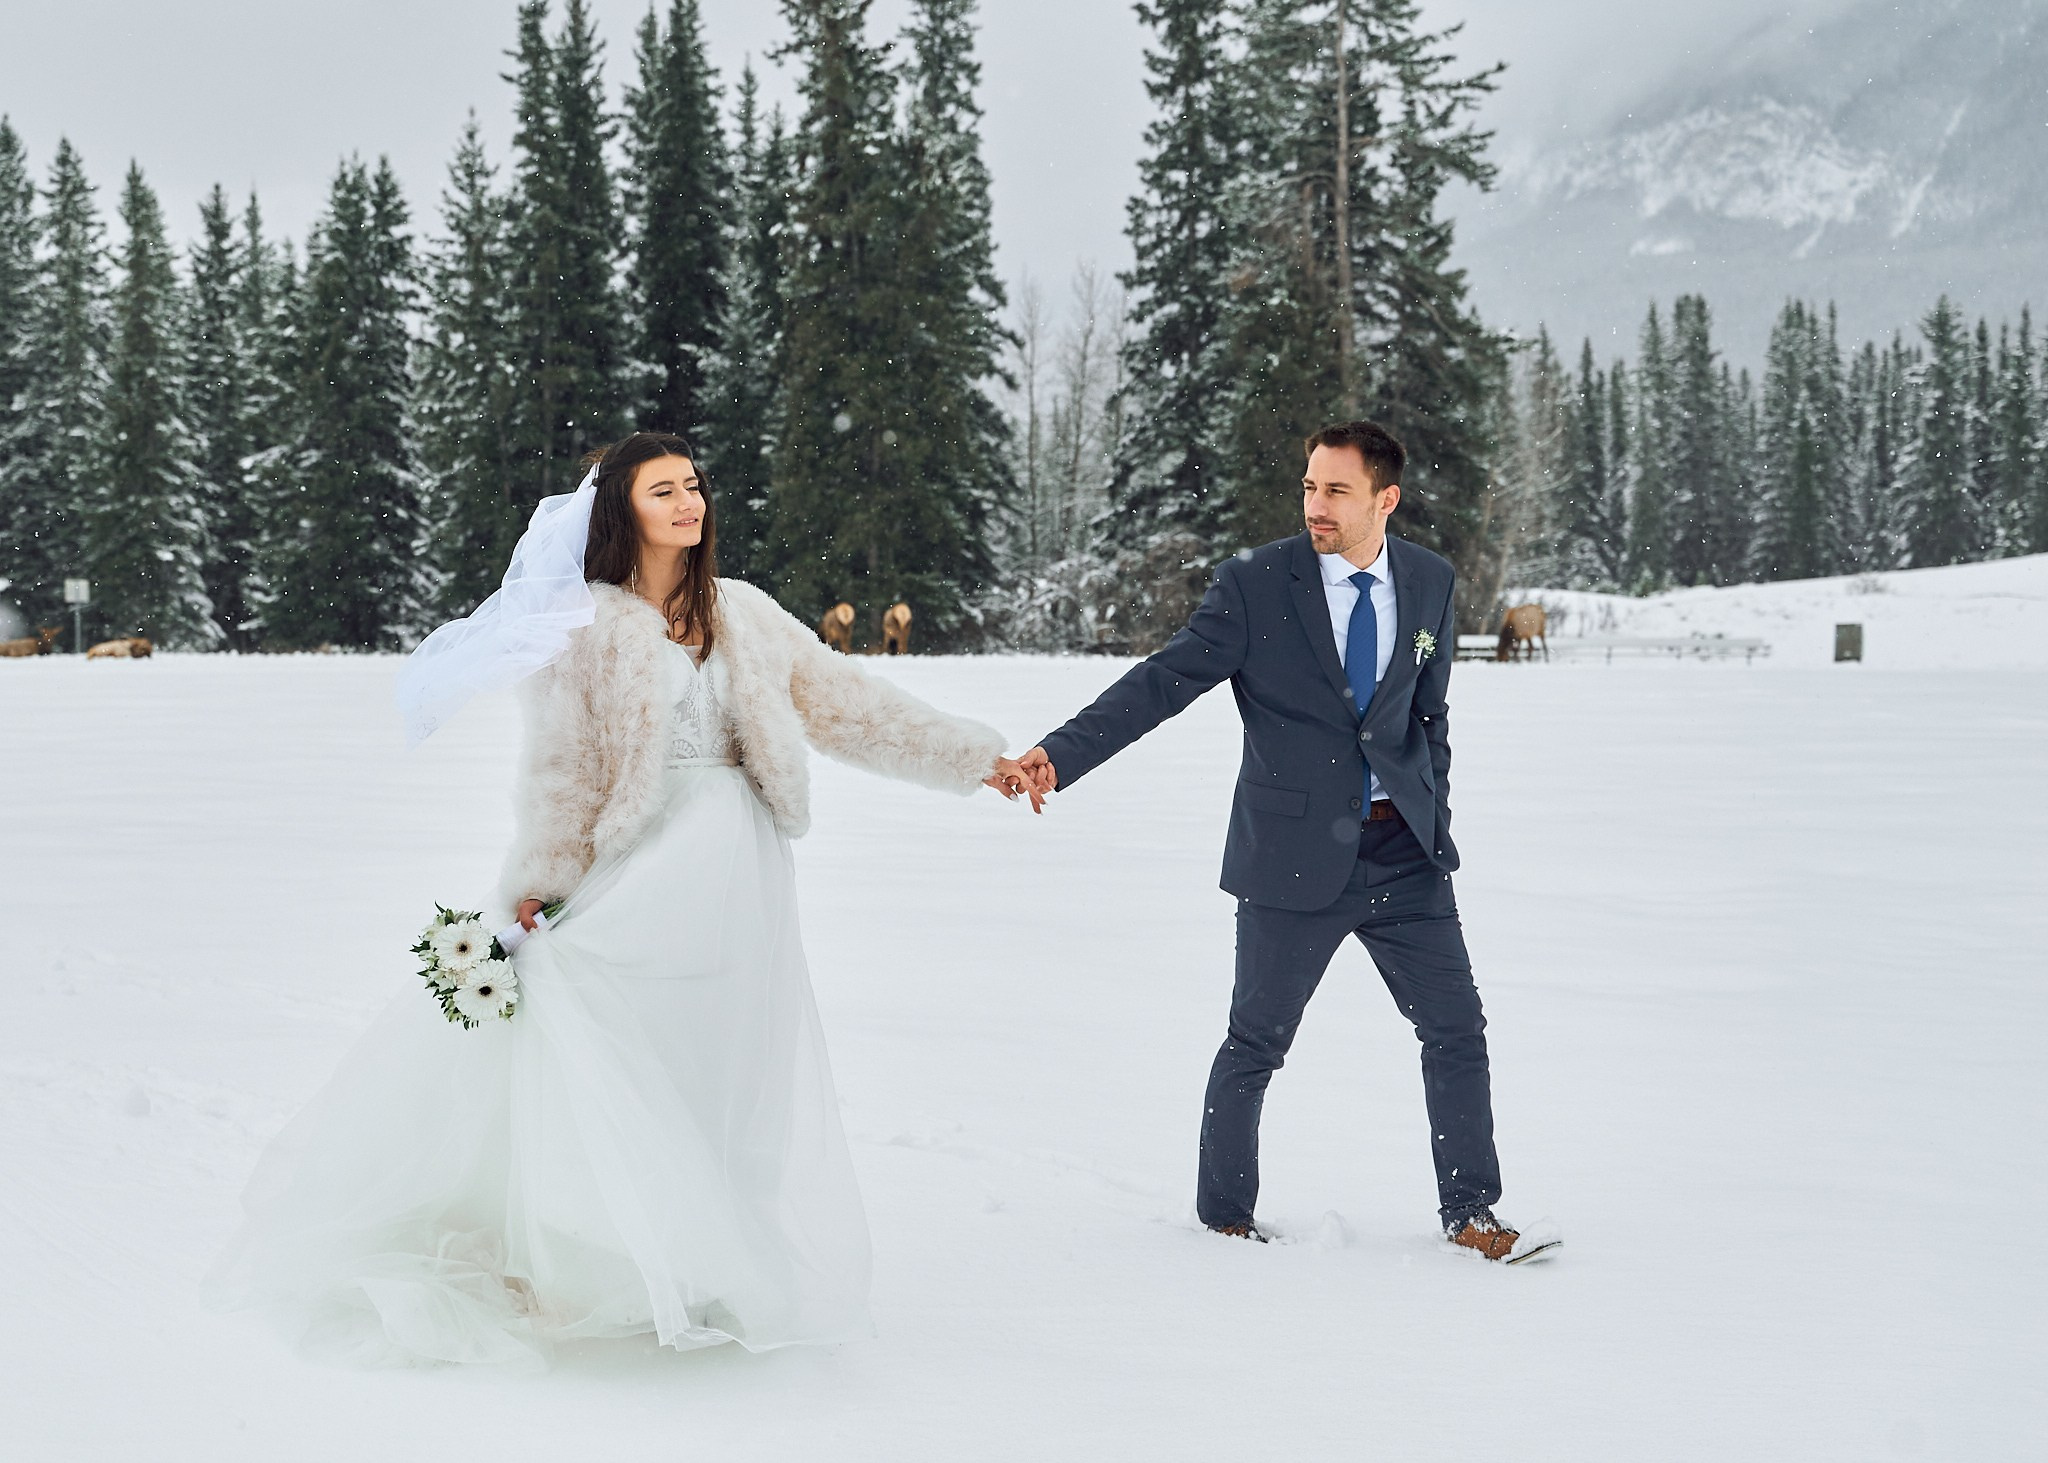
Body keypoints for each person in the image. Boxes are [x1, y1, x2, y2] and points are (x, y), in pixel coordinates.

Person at [205, 432, 1044, 1367]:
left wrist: (977, 761)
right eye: (664, 490)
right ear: (622, 510)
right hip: (643, 866)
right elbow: (564, 771)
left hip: (744, 874)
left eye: (694, 487)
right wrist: (538, 889)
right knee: (619, 1049)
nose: (689, 503)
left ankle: (702, 1253)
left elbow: (850, 703)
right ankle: (601, 1257)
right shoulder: (585, 626)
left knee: (726, 1062)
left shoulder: (747, 614)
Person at [1010, 420, 1556, 1263]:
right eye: (1309, 486)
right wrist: (1062, 754)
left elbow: (1429, 715)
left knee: (1457, 1030)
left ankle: (1474, 1212)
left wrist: (1431, 814)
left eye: (1336, 490)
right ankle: (1225, 1218)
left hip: (1405, 855)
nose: (1316, 505)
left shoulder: (1430, 582)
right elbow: (1163, 681)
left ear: (1386, 498)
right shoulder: (1257, 584)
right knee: (1256, 1043)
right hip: (1292, 859)